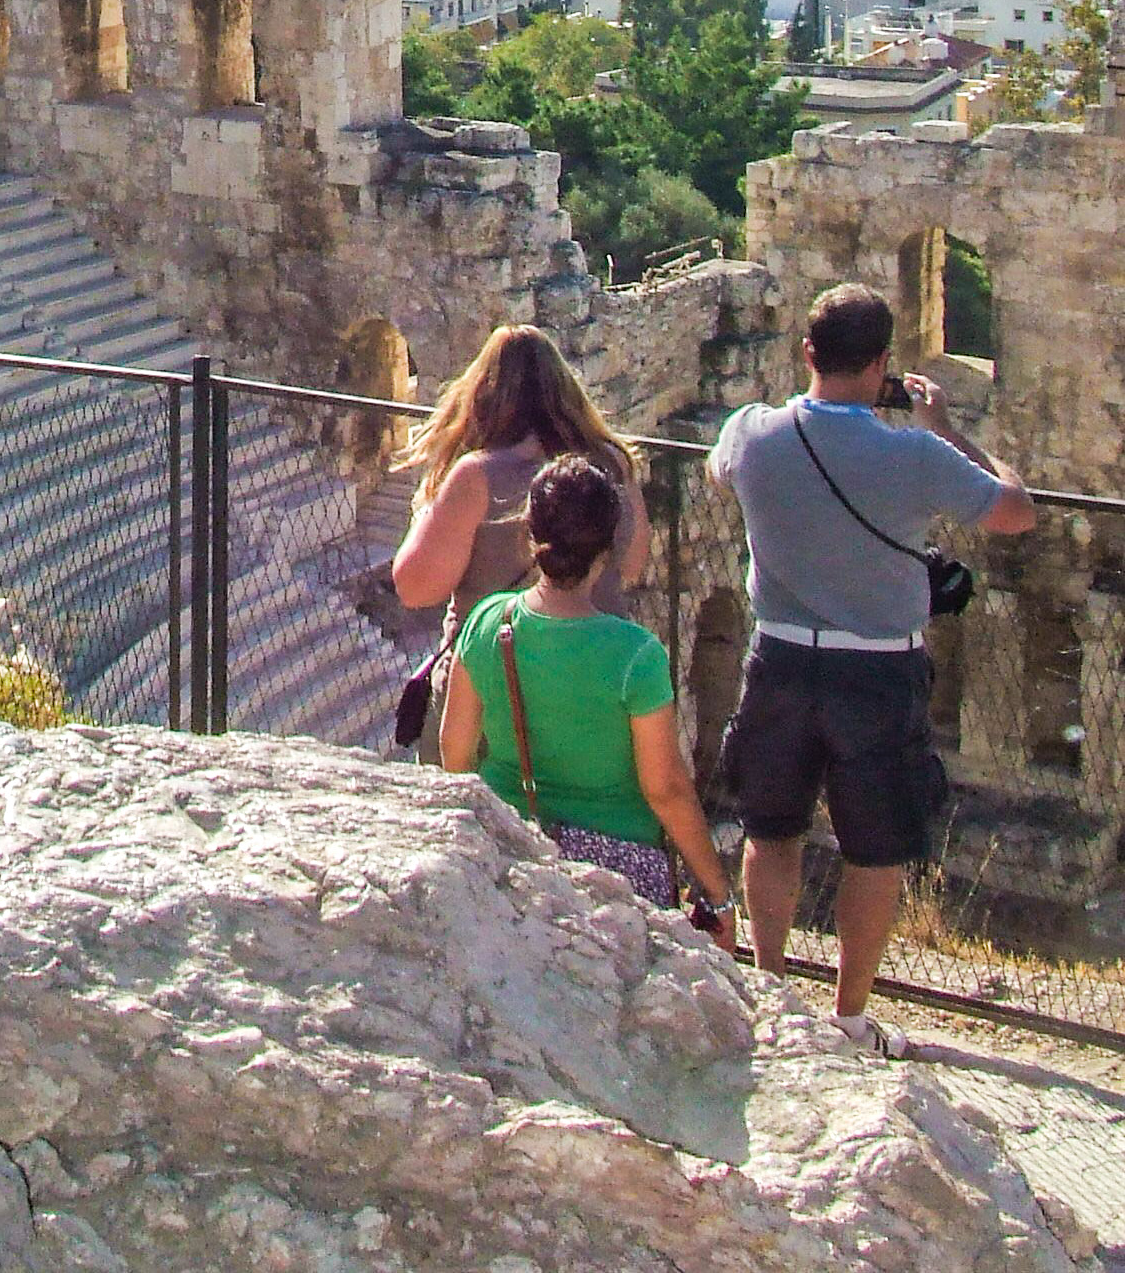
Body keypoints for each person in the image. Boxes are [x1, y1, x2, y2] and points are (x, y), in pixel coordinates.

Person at [708, 282, 1034, 1056]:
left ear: (808, 354)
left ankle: (770, 990)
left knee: (771, 830)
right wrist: (950, 430)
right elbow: (1013, 511)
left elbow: (725, 472)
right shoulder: (913, 454)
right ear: (884, 363)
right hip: (878, 674)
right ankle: (850, 1020)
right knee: (875, 850)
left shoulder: (752, 433)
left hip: (778, 657)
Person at [438, 454, 736, 947]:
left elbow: (456, 750)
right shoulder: (635, 654)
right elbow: (664, 788)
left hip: (514, 847)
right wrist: (718, 893)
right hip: (621, 869)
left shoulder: (489, 621)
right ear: (608, 549)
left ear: (529, 537)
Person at [391, 324, 650, 760]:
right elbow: (632, 565)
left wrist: (428, 508)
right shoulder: (613, 465)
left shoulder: (477, 476)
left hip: (490, 691)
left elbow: (416, 586)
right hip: (593, 683)